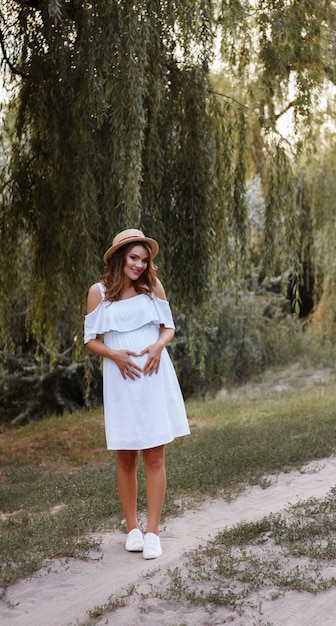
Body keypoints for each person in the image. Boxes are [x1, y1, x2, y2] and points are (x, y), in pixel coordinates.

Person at [84, 228, 190, 560]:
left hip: (153, 376)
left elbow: (168, 327)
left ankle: (153, 532)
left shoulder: (151, 288)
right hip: (121, 380)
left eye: (144, 260)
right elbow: (91, 339)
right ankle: (132, 528)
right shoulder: (98, 293)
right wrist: (114, 355)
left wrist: (158, 346)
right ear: (119, 256)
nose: (140, 265)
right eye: (134, 258)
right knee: (126, 457)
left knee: (155, 456)